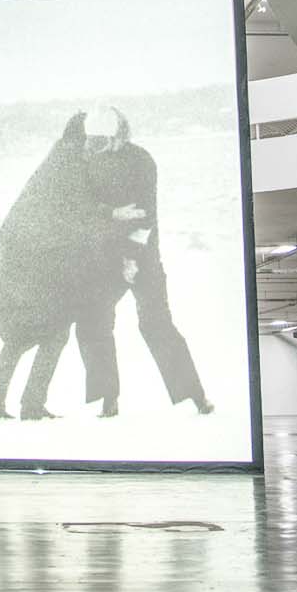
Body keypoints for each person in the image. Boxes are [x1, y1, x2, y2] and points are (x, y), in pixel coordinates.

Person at [72, 107, 213, 418]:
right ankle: (107, 399)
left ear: (119, 133)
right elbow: (83, 209)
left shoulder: (142, 161)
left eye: (104, 140)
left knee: (156, 324)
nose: (99, 146)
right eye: (94, 141)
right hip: (105, 258)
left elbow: (146, 215)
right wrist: (110, 214)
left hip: (144, 256)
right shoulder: (88, 163)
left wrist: (132, 259)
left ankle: (195, 395)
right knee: (93, 322)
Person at [0, 112, 104, 420]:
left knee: (20, 335)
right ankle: (31, 404)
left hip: (17, 263)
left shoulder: (53, 161)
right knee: (55, 333)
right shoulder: (72, 165)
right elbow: (77, 215)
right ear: (84, 139)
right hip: (39, 266)